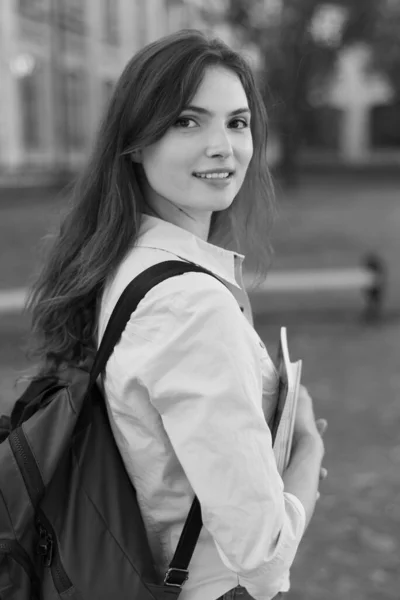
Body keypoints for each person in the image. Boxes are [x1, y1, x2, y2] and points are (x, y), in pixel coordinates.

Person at [28, 29, 326, 600]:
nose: (224, 146)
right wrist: (307, 451)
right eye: (188, 121)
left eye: (237, 122)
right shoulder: (191, 305)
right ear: (136, 143)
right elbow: (262, 560)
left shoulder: (122, 262)